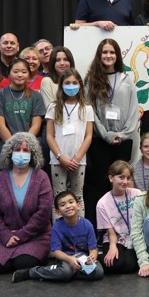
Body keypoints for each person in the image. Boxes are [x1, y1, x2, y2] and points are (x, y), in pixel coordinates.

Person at [84, 39, 139, 223]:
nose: (108, 56)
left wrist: (122, 134)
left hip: (123, 140)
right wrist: (106, 135)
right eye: (105, 52)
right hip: (100, 140)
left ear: (117, 56)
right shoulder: (90, 80)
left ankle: (120, 226)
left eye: (112, 52)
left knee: (121, 184)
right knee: (99, 184)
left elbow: (133, 111)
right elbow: (89, 110)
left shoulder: (126, 80)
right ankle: (98, 228)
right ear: (100, 56)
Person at [0, 132, 53, 274]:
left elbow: (44, 213)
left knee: (23, 263)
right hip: (7, 235)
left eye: (25, 150)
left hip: (37, 235)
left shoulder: (41, 177)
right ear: (9, 153)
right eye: (17, 150)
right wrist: (6, 236)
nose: (21, 154)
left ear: (33, 153)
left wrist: (21, 235)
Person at [11, 191, 103, 282]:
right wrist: (70, 259)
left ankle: (68, 274)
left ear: (78, 205)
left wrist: (91, 259)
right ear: (58, 212)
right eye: (63, 205)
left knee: (98, 272)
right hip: (66, 258)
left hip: (83, 259)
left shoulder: (87, 225)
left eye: (71, 202)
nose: (68, 206)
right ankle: (32, 272)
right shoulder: (57, 226)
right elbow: (56, 251)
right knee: (66, 271)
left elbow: (93, 249)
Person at [46, 69, 94, 215]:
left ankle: (79, 233)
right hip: (58, 159)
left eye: (74, 83)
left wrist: (77, 157)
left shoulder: (86, 108)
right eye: (67, 83)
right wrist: (61, 157)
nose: (71, 86)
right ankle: (59, 234)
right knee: (59, 197)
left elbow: (89, 136)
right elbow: (49, 135)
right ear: (61, 85)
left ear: (80, 84)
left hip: (79, 160)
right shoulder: (54, 107)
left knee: (78, 197)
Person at [0, 59, 45, 169]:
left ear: (29, 75)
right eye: (16, 71)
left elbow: (36, 125)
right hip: (6, 147)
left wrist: (24, 146)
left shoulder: (36, 96)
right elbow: (0, 126)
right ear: (9, 74)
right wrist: (14, 147)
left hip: (29, 147)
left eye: (24, 72)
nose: (20, 75)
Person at [96, 161, 143, 274]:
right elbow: (110, 231)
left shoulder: (136, 194)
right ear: (111, 178)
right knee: (114, 265)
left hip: (134, 237)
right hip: (114, 238)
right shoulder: (102, 203)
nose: (125, 182)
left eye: (128, 178)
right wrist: (113, 246)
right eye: (121, 177)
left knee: (129, 266)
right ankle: (95, 258)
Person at [39, 46, 75, 111]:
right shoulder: (47, 81)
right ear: (53, 63)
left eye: (66, 59)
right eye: (58, 60)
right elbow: (51, 110)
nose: (62, 63)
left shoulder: (76, 82)